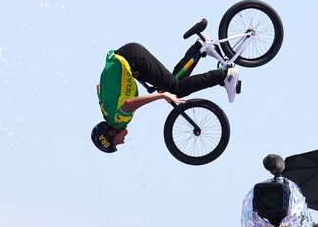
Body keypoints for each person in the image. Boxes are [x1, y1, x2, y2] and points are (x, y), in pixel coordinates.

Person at [91, 41, 239, 153]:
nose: (121, 143)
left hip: (133, 60)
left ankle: (224, 76)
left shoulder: (117, 120)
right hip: (127, 57)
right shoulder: (106, 113)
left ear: (112, 133)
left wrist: (161, 96)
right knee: (172, 84)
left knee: (175, 89)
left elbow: (129, 104)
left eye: (116, 142)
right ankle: (200, 48)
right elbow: (98, 88)